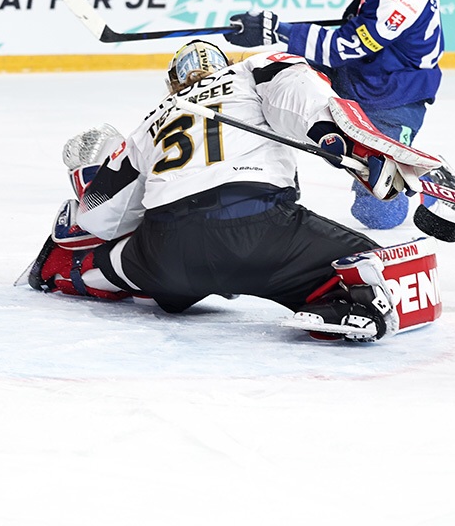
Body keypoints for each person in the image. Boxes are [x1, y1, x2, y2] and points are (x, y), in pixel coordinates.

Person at [25, 40, 434, 342]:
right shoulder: (251, 71)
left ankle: (68, 269)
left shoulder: (153, 119)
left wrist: (88, 184)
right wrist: (344, 141)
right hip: (261, 233)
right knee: (371, 264)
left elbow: (101, 216)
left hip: (169, 252)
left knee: (127, 260)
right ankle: (343, 302)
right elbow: (301, 93)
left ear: (173, 82)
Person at [223, 0, 455, 230]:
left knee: (376, 215)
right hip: (364, 72)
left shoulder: (399, 3)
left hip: (394, 98)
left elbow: (341, 48)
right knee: (277, 81)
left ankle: (424, 176)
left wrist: (275, 31)